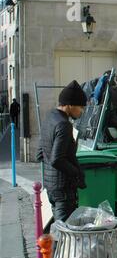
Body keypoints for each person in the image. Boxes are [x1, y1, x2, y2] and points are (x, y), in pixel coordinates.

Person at [36, 80, 87, 223]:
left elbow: (39, 154)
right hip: (63, 189)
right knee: (64, 233)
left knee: (59, 229)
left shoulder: (49, 118)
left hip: (51, 186)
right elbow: (57, 159)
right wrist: (76, 172)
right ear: (70, 105)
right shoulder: (64, 125)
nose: (82, 111)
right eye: (81, 107)